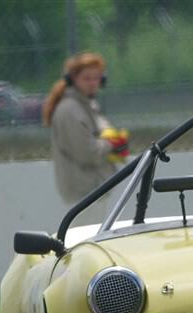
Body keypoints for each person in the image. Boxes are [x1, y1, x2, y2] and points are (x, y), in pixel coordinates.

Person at [42, 52, 129, 217]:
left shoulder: (87, 106)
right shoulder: (70, 110)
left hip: (92, 192)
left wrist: (112, 142)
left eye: (96, 78)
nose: (92, 83)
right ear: (73, 79)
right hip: (83, 195)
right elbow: (87, 154)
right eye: (86, 78)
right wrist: (112, 144)